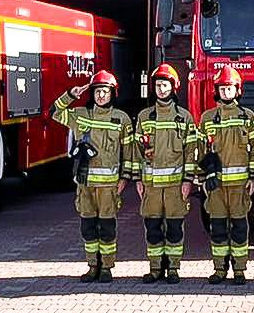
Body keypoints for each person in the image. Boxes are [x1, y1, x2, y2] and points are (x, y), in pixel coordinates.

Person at [52, 69, 137, 282]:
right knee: (88, 227)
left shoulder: (122, 119)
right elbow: (54, 112)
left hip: (109, 187)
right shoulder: (80, 115)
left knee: (107, 228)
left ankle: (106, 267)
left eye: (105, 91)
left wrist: (125, 178)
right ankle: (92, 266)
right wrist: (70, 95)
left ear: (113, 94)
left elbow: (128, 152)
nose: (101, 95)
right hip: (85, 184)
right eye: (97, 91)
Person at [196, 64, 254, 284]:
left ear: (237, 90)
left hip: (240, 186)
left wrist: (253, 176)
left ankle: (240, 270)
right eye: (222, 88)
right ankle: (219, 269)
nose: (226, 92)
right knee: (217, 228)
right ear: (217, 90)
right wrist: (202, 179)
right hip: (215, 186)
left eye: (230, 88)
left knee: (240, 228)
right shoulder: (207, 118)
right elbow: (200, 150)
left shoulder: (248, 117)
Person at [134, 63, 199, 284]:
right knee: (152, 228)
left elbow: (190, 152)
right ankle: (155, 269)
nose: (161, 89)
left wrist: (188, 181)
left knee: (174, 228)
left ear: (174, 87)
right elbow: (136, 151)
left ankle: (173, 268)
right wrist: (138, 179)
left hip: (175, 187)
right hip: (151, 186)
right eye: (158, 85)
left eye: (165, 85)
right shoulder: (144, 117)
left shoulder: (184, 117)